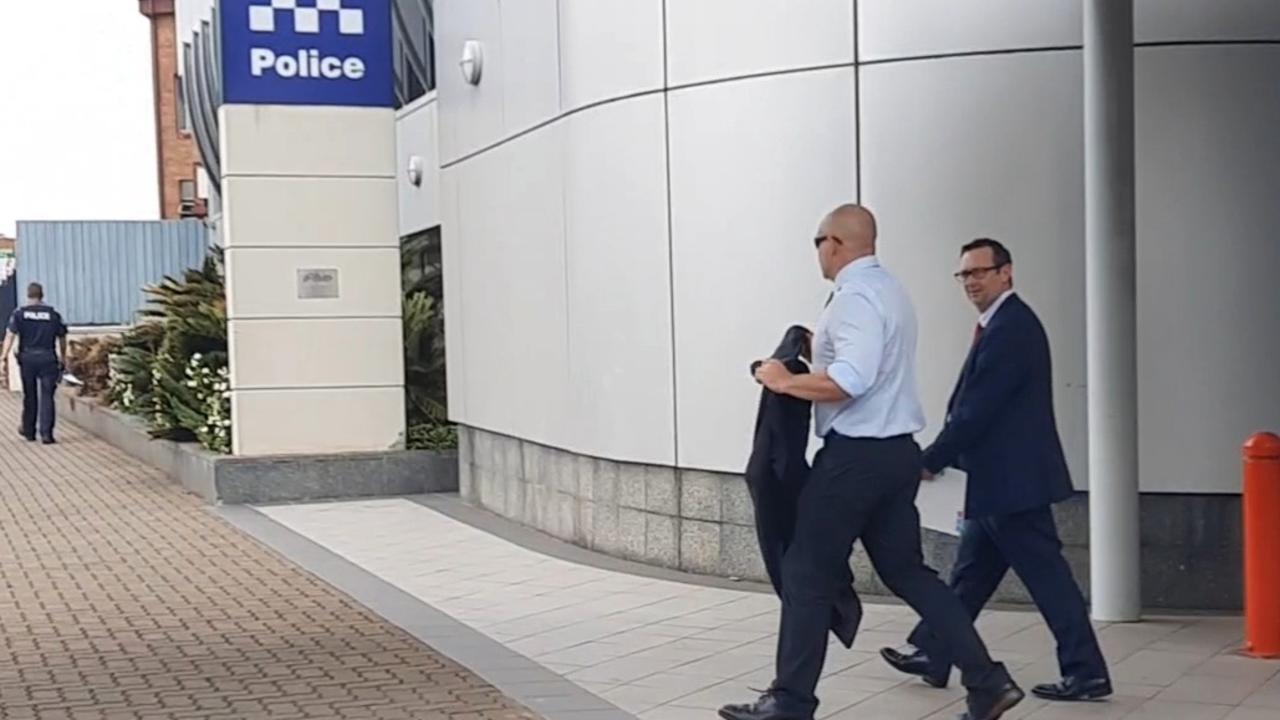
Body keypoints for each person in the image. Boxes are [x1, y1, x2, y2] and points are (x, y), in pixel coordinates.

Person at [719, 206, 1023, 720]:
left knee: (806, 573)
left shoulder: (855, 297)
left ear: (835, 242)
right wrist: (817, 348)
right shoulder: (891, 292)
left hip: (856, 460)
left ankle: (790, 702)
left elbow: (850, 380)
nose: (817, 251)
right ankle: (987, 681)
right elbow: (868, 363)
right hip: (896, 454)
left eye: (818, 241)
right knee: (907, 571)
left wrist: (782, 380)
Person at [879, 238, 1113, 702]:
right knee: (969, 576)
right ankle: (934, 651)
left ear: (1006, 273)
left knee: (1049, 581)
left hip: (1013, 484)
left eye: (980, 272)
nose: (971, 282)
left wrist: (932, 458)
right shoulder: (1000, 324)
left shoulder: (1012, 327)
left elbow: (978, 410)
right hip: (997, 483)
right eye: (964, 274)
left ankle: (1086, 672)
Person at [745, 325, 861, 648]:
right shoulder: (795, 375)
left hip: (778, 476)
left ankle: (793, 685)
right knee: (801, 568)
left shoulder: (788, 373)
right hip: (786, 475)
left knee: (792, 565)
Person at [1, 282, 68, 444]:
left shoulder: (20, 314)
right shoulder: (53, 315)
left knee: (29, 395)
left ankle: (29, 431)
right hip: (48, 358)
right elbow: (62, 337)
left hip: (27, 359)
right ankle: (47, 434)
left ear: (28, 295)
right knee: (47, 396)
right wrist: (63, 356)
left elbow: (10, 335)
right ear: (41, 295)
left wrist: (3, 356)